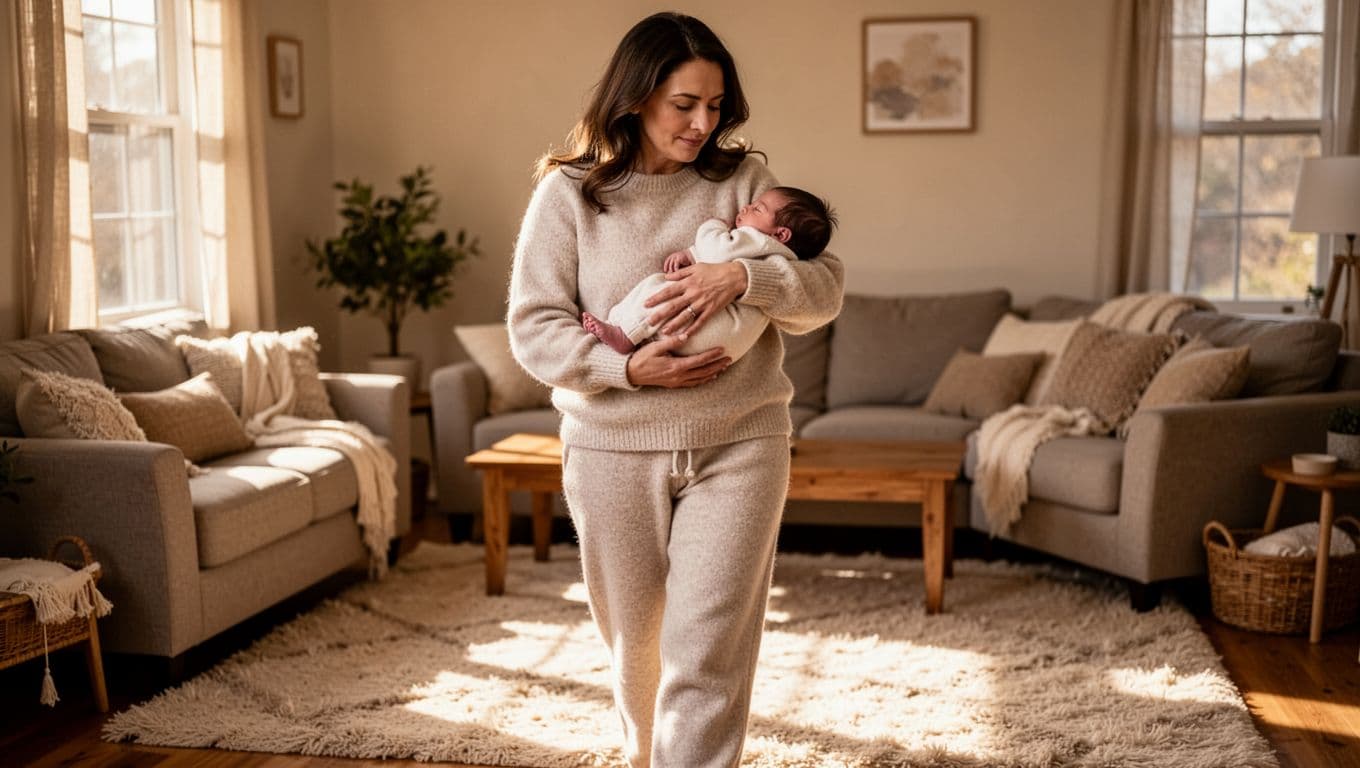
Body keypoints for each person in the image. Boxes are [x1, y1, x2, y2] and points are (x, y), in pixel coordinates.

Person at [507, 12, 844, 768]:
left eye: (715, 105)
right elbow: (534, 329)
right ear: (635, 96)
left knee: (708, 648)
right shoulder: (569, 195)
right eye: (683, 104)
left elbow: (822, 293)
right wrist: (626, 369)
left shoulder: (745, 183)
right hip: (611, 448)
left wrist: (743, 273)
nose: (702, 123)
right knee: (637, 647)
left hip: (742, 443)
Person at [582, 186, 838, 359]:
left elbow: (716, 253)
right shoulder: (777, 250)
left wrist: (714, 226)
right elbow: (718, 257)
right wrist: (691, 255)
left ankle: (626, 332)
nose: (747, 207)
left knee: (659, 285)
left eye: (757, 209)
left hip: (709, 330)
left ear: (781, 234)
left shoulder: (758, 239)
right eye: (683, 105)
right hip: (724, 344)